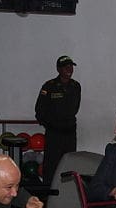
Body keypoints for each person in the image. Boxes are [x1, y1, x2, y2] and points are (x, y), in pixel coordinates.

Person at [34, 55, 81, 187]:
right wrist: (50, 124)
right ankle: (49, 194)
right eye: (66, 66)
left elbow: (75, 108)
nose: (69, 69)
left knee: (69, 162)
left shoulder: (75, 86)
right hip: (54, 132)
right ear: (59, 69)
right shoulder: (49, 86)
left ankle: (67, 193)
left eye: (71, 66)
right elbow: (40, 110)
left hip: (70, 132)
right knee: (51, 164)